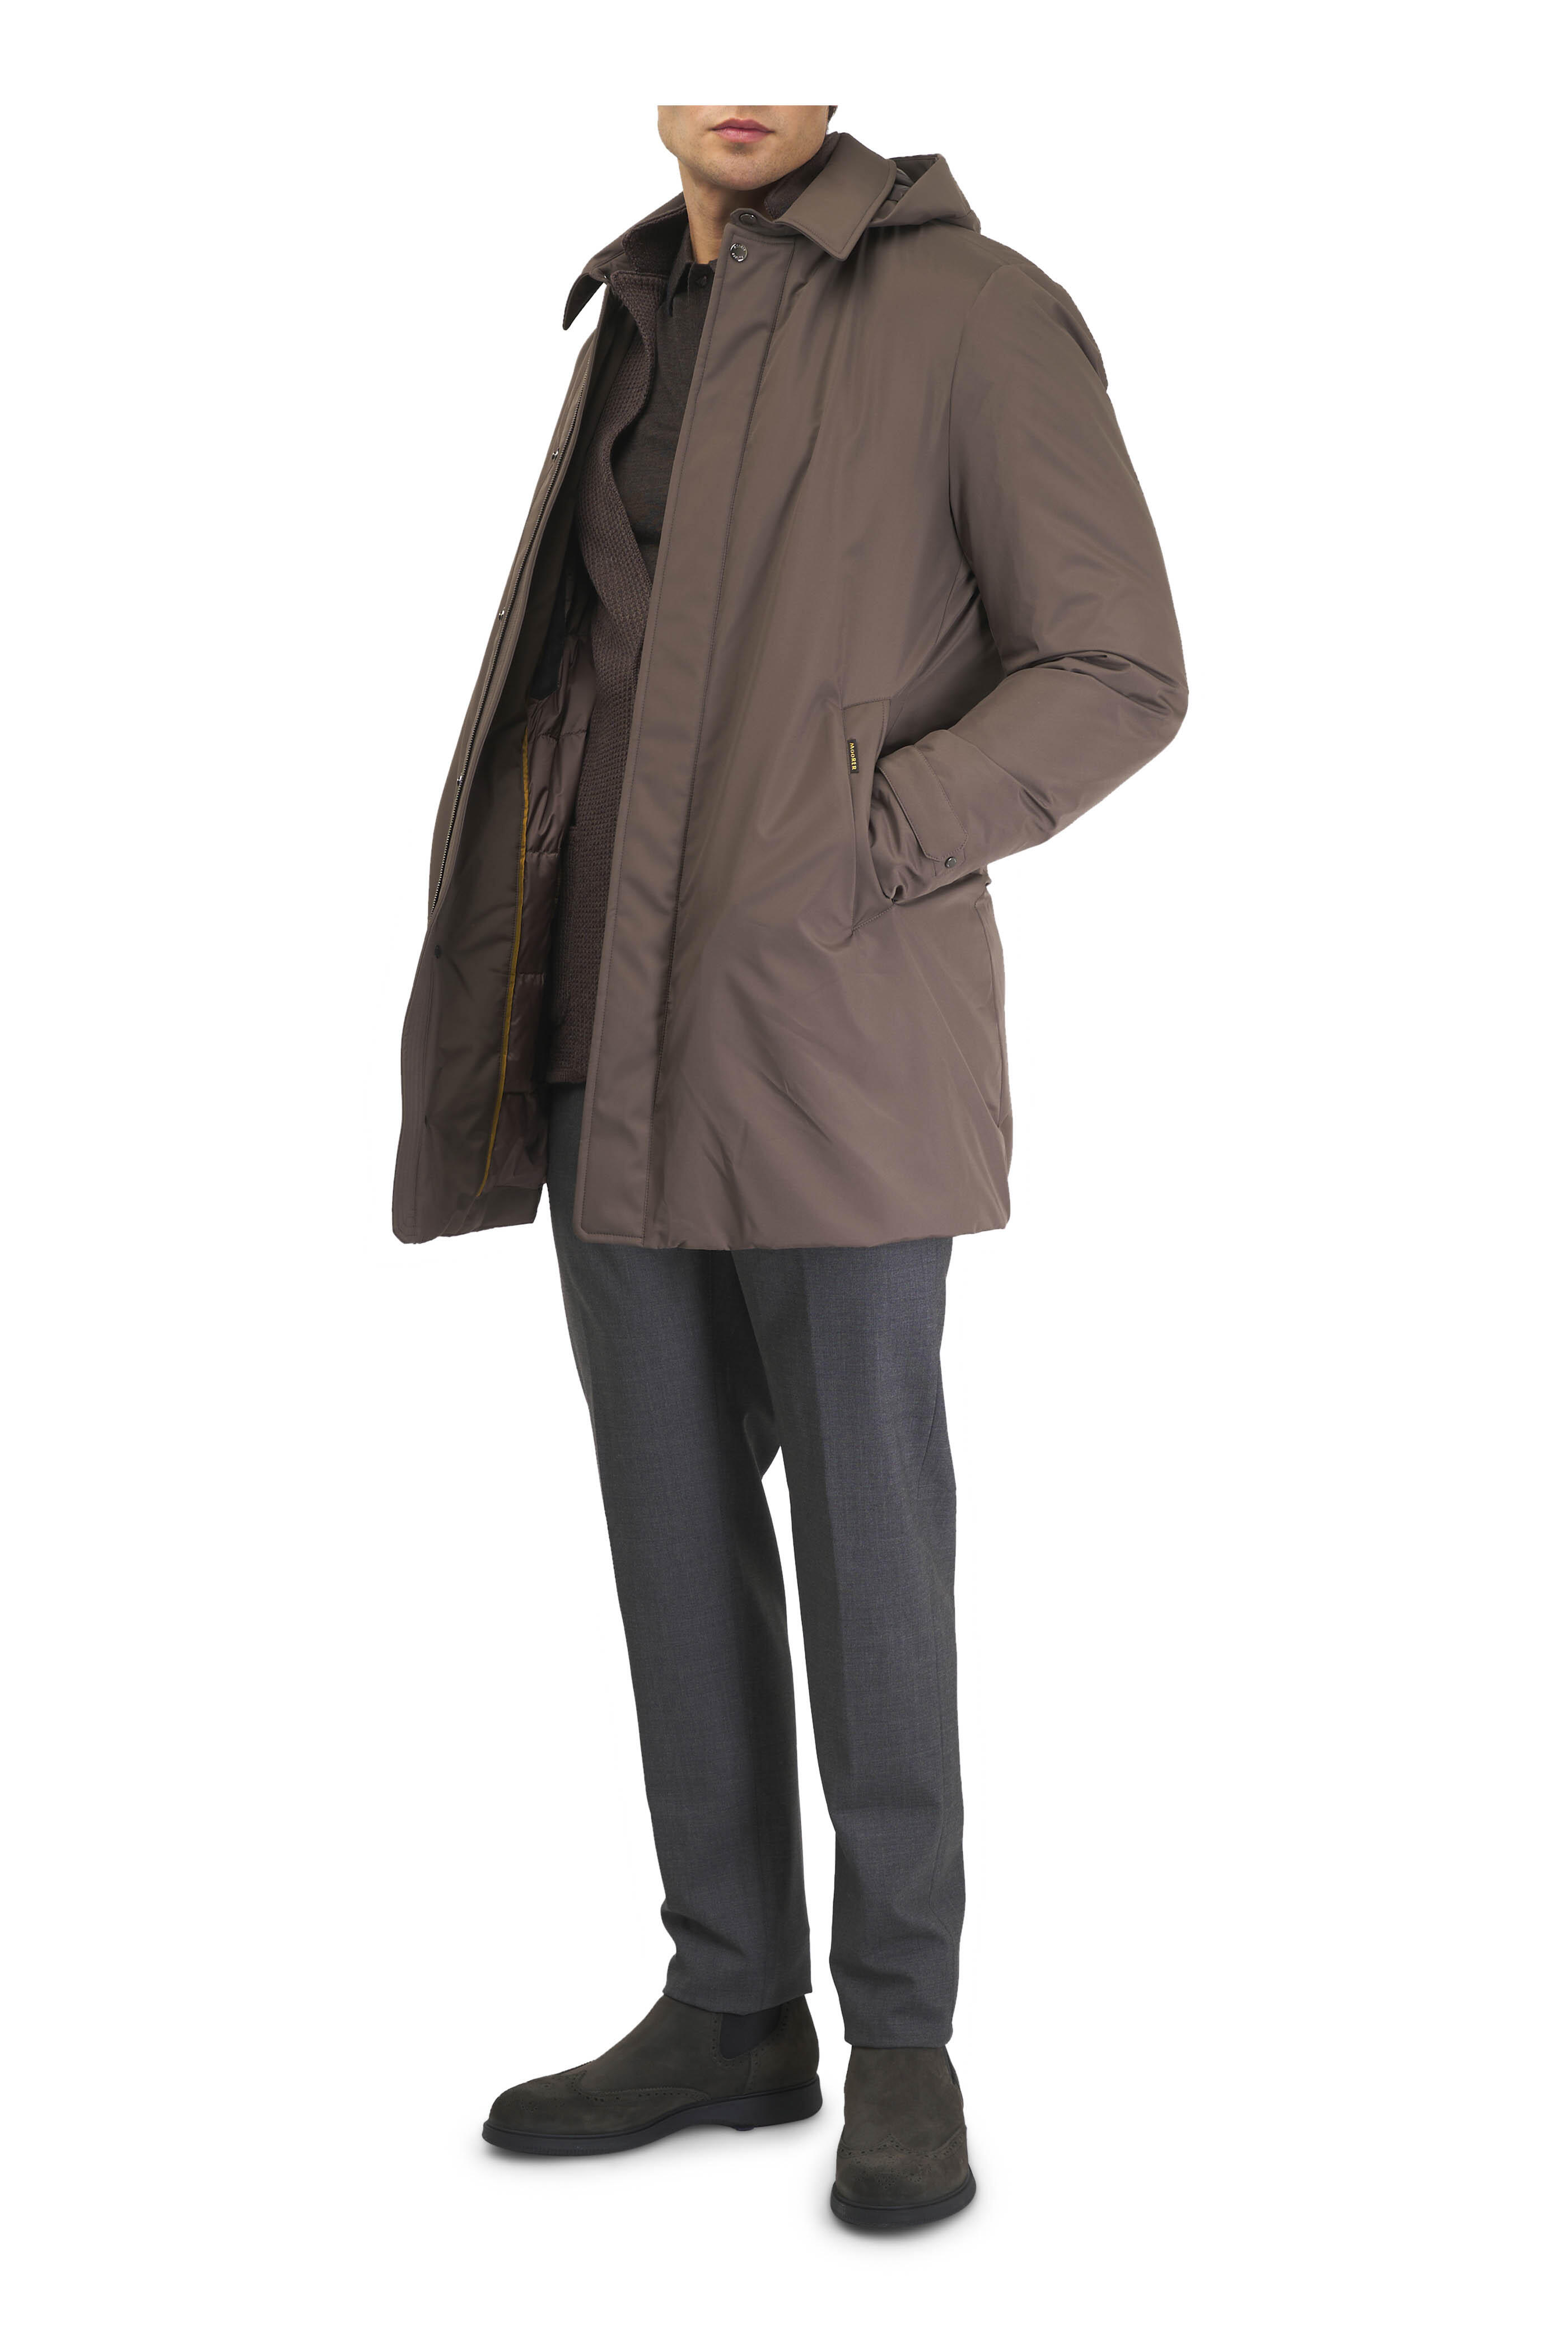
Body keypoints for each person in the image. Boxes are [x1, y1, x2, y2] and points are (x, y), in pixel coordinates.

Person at [393, 104, 1186, 2229]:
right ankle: (735, 2001)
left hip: (834, 1038)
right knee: (671, 1532)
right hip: (601, 1038)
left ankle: (904, 2037)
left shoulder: (970, 312)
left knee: (868, 1539)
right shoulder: (635, 319)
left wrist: (870, 839)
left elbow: (1119, 666)